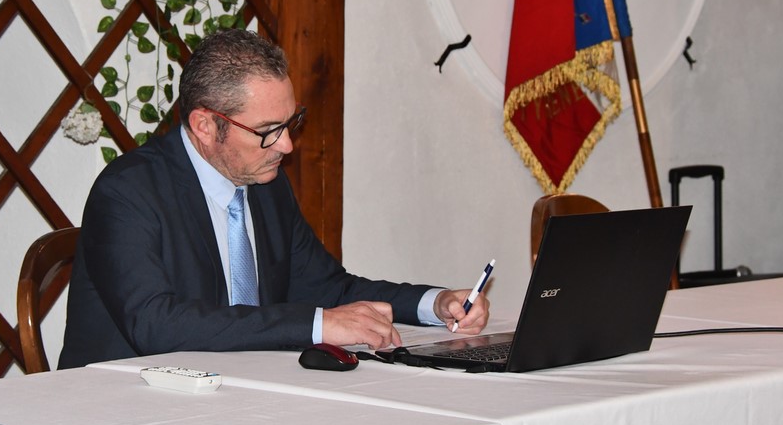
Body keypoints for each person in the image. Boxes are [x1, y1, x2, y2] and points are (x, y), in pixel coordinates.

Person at [58, 29, 490, 369]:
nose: (286, 145)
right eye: (268, 131)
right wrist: (318, 325)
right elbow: (156, 325)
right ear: (205, 125)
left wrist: (434, 303)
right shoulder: (128, 192)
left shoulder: (266, 183)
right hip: (121, 409)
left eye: (290, 122)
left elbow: (329, 287)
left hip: (239, 394)